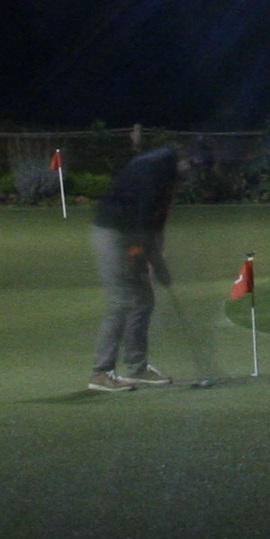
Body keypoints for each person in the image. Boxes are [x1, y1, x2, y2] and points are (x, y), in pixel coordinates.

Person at [87, 143, 188, 391]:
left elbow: (155, 224)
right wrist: (142, 257)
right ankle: (100, 373)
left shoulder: (167, 177)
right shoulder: (154, 172)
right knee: (121, 301)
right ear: (185, 160)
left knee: (143, 300)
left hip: (133, 234)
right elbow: (141, 221)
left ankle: (136, 366)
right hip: (112, 233)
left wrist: (158, 262)